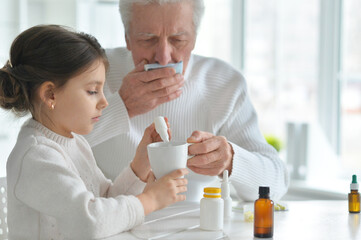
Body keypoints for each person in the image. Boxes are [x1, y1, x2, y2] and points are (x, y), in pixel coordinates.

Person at [85, 0, 289, 202]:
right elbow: (54, 148)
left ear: (194, 39)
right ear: (127, 38)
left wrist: (230, 160)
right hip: (111, 225)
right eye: (148, 39)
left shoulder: (225, 84)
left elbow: (277, 182)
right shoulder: (93, 73)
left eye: (178, 40)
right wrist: (122, 106)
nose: (164, 58)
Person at [0, 25, 188, 239]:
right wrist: (150, 201)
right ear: (50, 94)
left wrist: (140, 164)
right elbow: (90, 221)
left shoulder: (75, 143)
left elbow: (105, 201)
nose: (104, 102)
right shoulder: (35, 157)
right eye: (92, 91)